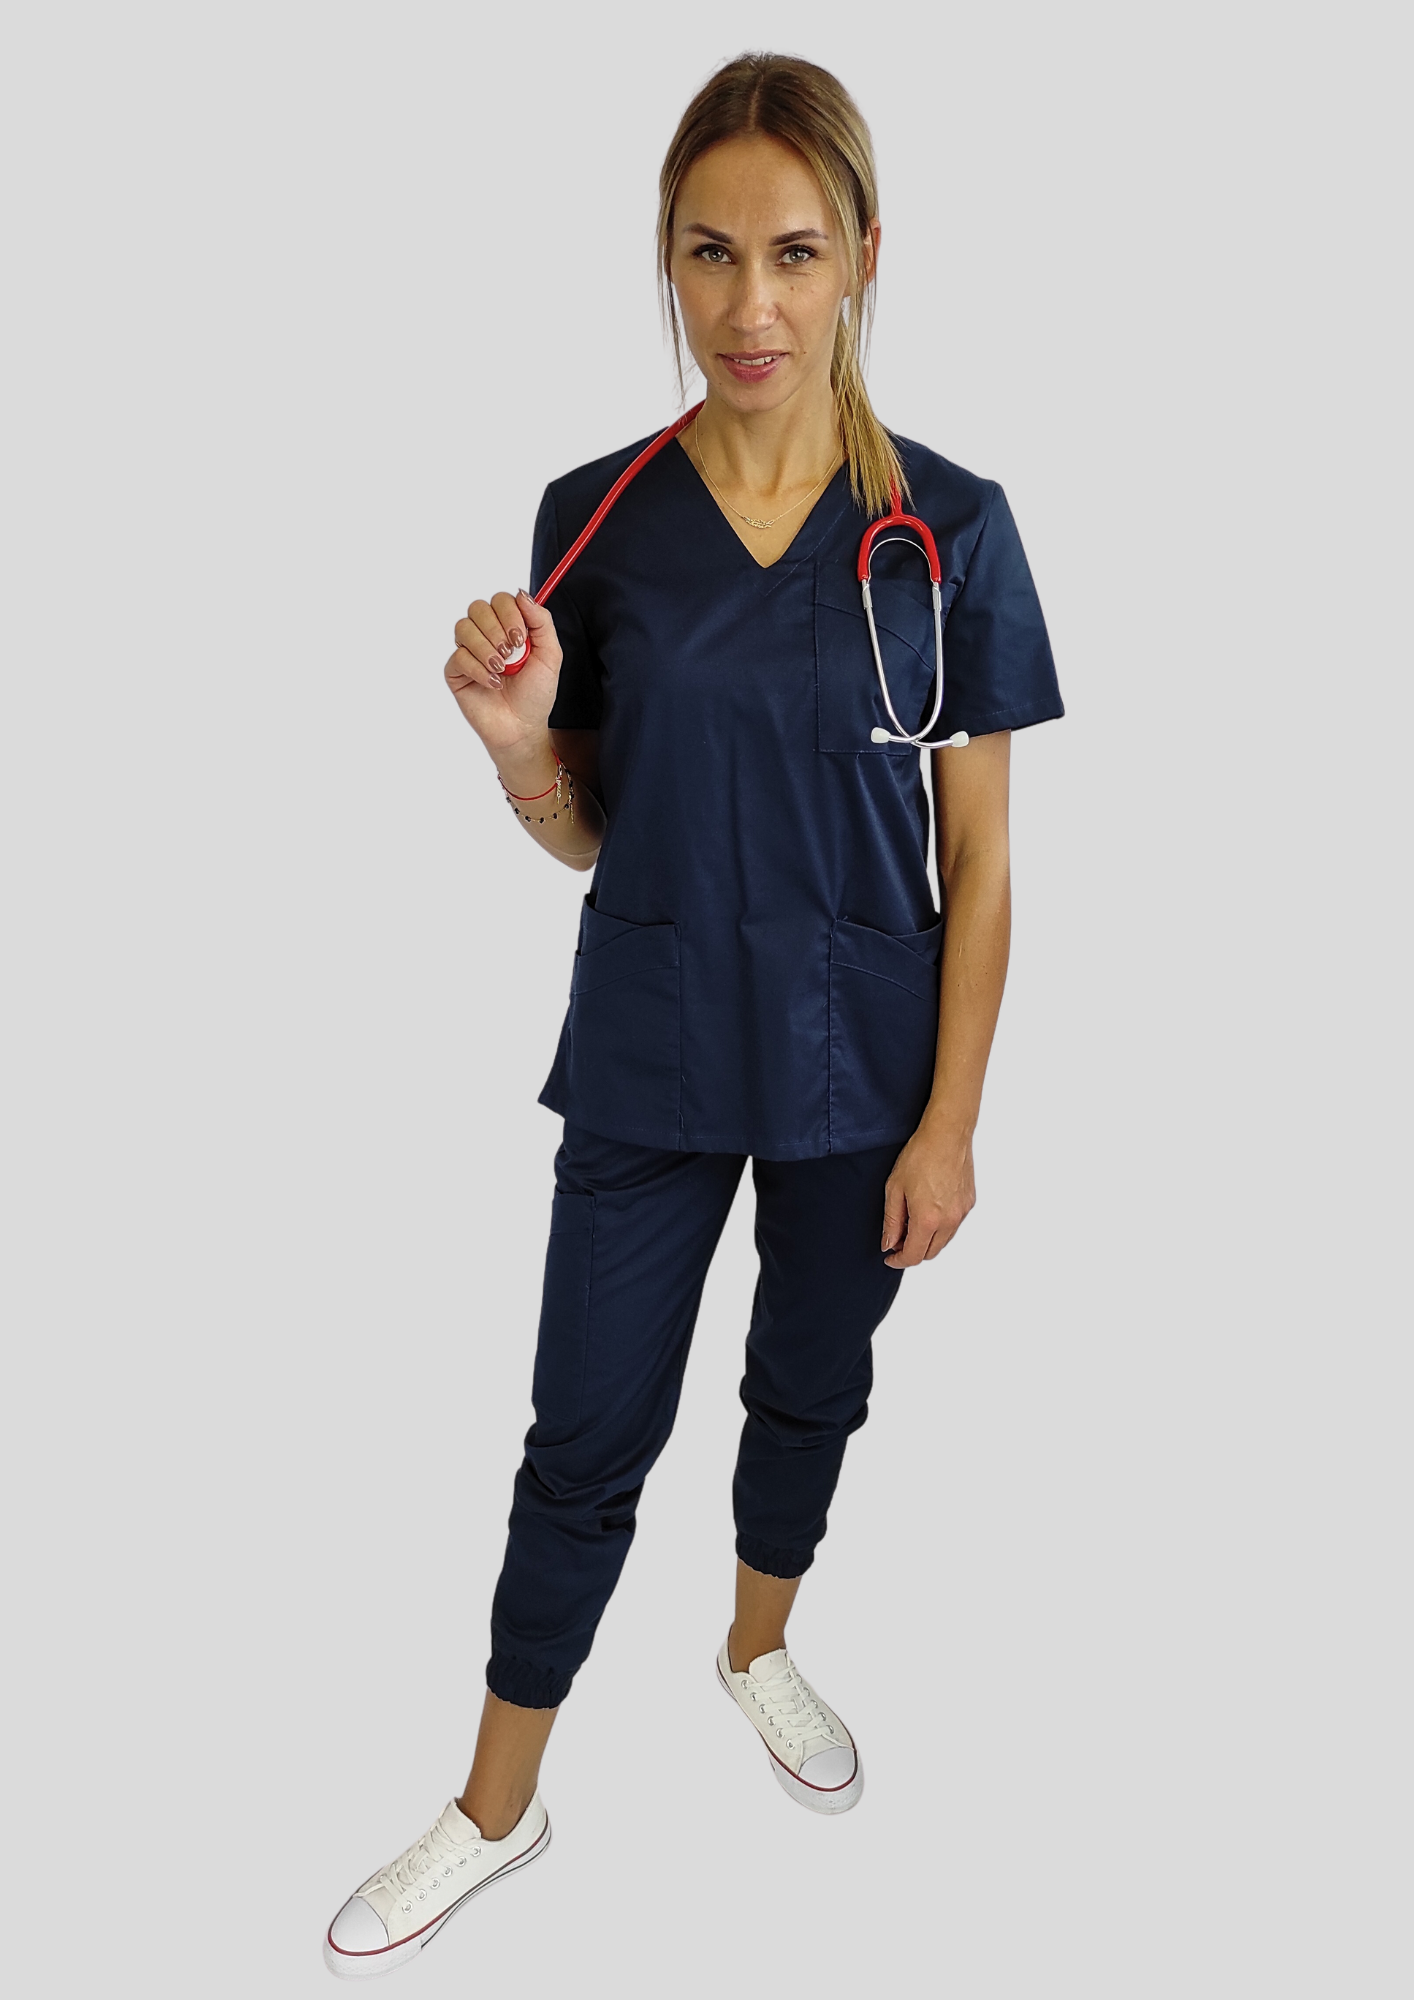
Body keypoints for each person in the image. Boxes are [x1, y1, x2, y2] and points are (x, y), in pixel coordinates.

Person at [324, 50, 1062, 1978]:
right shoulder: (595, 520)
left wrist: (951, 1120)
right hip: (651, 1045)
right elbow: (591, 829)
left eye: (795, 252)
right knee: (582, 1433)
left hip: (859, 1063)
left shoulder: (953, 527)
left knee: (809, 1385)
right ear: (666, 257)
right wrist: (516, 749)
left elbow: (982, 863)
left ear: (864, 258)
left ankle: (755, 1646)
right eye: (711, 252)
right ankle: (498, 1807)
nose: (751, 303)